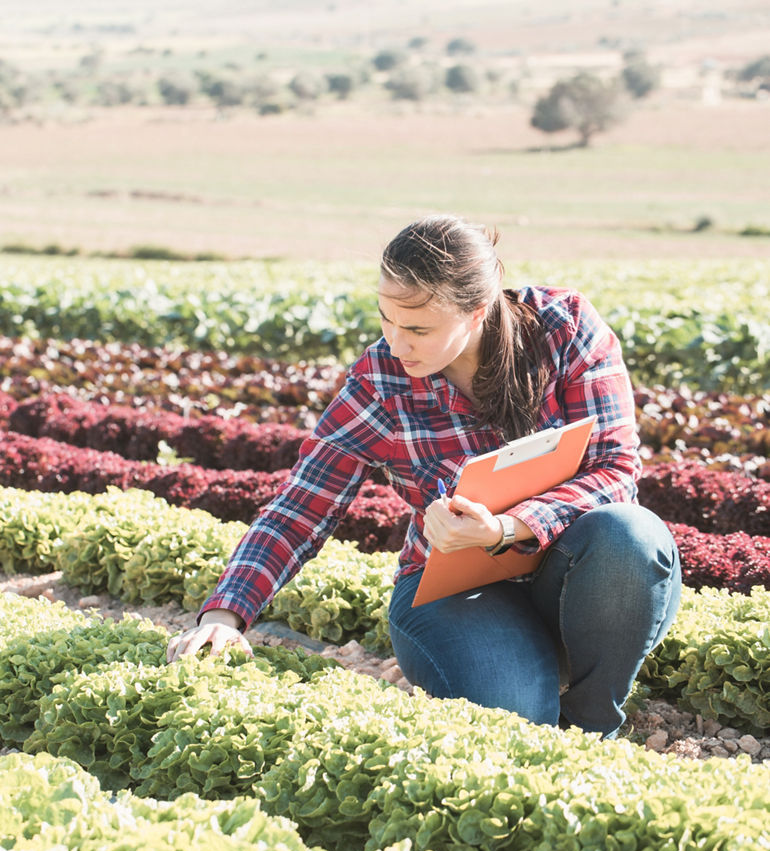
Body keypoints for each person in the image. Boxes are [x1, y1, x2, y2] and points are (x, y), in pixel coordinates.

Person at [166, 214, 682, 738]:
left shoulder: (564, 329)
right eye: (386, 320)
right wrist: (225, 615)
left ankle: (593, 725)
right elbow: (302, 506)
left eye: (417, 329)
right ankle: (524, 675)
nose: (395, 343)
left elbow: (616, 470)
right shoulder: (382, 382)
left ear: (477, 311)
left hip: (578, 579)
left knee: (630, 535)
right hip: (455, 595)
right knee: (518, 723)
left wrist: (507, 527)